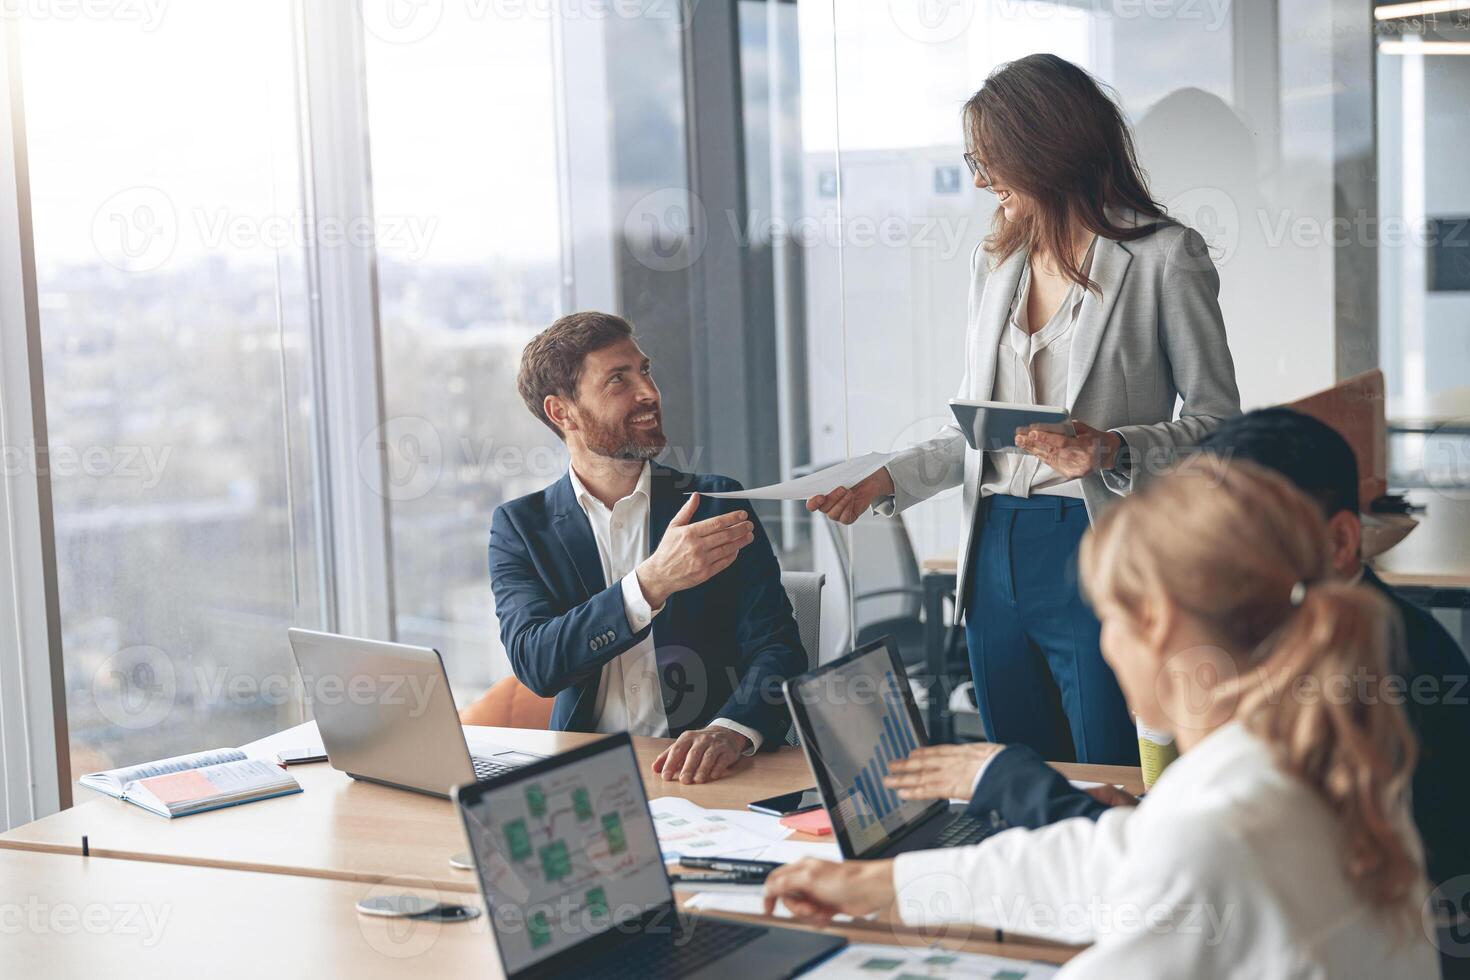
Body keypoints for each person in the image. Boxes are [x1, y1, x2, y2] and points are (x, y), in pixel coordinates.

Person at [765, 459, 1438, 978]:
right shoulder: (1308, 771)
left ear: (1158, 625)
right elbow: (1109, 861)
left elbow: (1163, 868)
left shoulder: (1220, 832)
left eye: (1106, 618)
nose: (1103, 644)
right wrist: (880, 884)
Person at [807, 53, 1239, 766]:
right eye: (973, 161)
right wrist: (887, 479)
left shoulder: (1165, 257)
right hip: (993, 552)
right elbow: (979, 428)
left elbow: (1220, 424)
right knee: (1014, 770)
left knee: (1105, 770)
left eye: (991, 159)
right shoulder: (995, 262)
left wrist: (1111, 448)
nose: (980, 180)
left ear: (1049, 147)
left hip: (1097, 545)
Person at [490, 311, 806, 784]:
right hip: (586, 772)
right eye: (618, 380)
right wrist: (651, 583)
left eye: (645, 371)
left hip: (703, 771)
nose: (648, 393)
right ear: (562, 412)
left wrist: (729, 731)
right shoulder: (521, 527)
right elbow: (538, 664)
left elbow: (778, 648)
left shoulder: (714, 502)